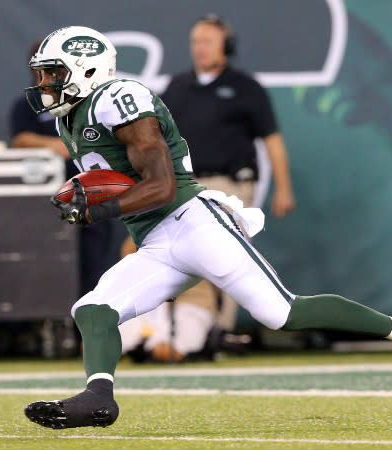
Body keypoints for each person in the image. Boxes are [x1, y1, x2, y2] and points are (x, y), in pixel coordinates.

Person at [22, 25, 392, 429]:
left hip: (193, 223)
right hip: (154, 241)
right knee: (94, 309)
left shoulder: (119, 98)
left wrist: (96, 210)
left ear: (87, 68)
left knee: (281, 313)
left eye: (53, 73)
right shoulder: (70, 117)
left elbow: (161, 186)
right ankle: (99, 398)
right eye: (43, 75)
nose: (46, 84)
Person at [117, 14, 297, 362]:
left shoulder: (245, 86)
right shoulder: (178, 86)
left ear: (225, 46)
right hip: (183, 182)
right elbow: (156, 139)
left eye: (208, 41)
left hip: (229, 184)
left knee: (225, 255)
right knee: (160, 249)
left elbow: (272, 140)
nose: (200, 49)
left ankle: (221, 331)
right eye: (196, 42)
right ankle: (160, 329)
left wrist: (283, 187)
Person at [9, 39, 115, 297]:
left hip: (92, 196)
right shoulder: (28, 104)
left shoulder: (86, 99)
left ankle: (88, 330)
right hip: (47, 202)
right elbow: (20, 140)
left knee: (93, 266)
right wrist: (57, 144)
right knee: (48, 266)